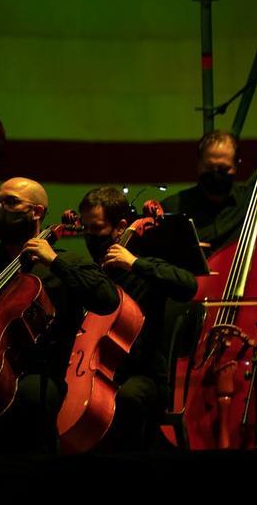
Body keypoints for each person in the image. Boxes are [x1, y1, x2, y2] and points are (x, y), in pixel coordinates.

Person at [0, 177, 117, 454]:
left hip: (38, 376)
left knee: (31, 394)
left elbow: (106, 300)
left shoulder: (66, 263)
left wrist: (54, 261)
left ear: (37, 212)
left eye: (11, 202)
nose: (0, 209)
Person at [77, 187, 196, 450]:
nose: (88, 237)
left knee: (128, 397)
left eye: (95, 229)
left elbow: (188, 286)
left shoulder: (143, 268)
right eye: (84, 229)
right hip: (94, 372)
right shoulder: (92, 274)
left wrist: (134, 263)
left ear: (120, 227)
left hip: (145, 379)